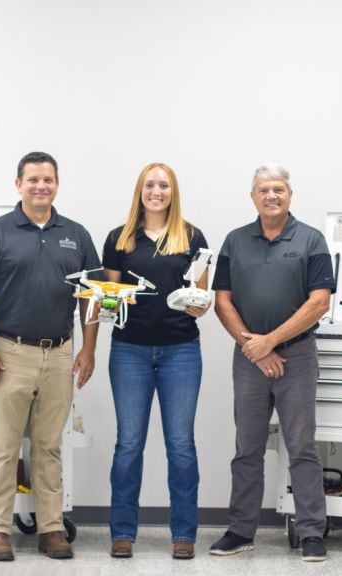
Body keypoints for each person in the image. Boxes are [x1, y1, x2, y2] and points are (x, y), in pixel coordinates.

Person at [0, 151, 100, 561]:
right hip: (10, 351)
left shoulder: (75, 235)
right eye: (33, 179)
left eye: (48, 179)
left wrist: (88, 349)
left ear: (57, 184)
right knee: (5, 445)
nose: (41, 186)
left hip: (59, 353)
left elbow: (91, 295)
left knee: (48, 446)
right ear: (18, 184)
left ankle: (51, 529)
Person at [210, 163, 335, 562]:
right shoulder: (234, 241)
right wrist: (254, 347)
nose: (272, 196)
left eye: (279, 189)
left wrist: (270, 342)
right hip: (249, 358)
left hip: (296, 355)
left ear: (290, 195)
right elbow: (222, 300)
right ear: (253, 198)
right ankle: (240, 529)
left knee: (302, 447)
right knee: (247, 447)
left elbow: (319, 302)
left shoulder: (311, 240)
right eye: (264, 189)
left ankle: (312, 530)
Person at [102, 163, 209, 560]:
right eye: (150, 184)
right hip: (129, 350)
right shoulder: (120, 238)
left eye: (164, 185)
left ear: (173, 191)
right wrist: (109, 301)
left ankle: (184, 534)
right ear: (140, 190)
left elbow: (203, 295)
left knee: (181, 445)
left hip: (181, 351)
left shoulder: (193, 237)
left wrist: (200, 306)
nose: (157, 191)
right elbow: (109, 296)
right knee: (128, 444)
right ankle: (122, 533)